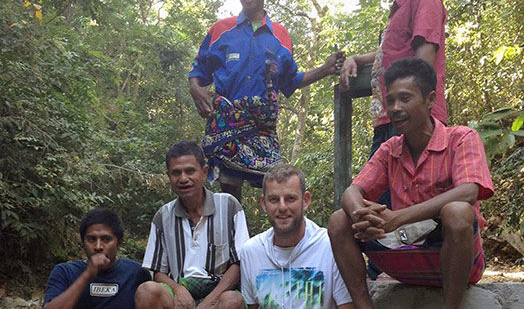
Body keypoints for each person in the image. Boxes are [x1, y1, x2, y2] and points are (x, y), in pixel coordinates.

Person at [328, 58, 494, 309]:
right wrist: (359, 213)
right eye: (390, 99)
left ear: (429, 100)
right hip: (403, 258)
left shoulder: (461, 138)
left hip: (452, 262)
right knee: (339, 220)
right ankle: (363, 306)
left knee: (458, 210)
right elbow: (354, 190)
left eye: (405, 98)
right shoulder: (389, 149)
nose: (394, 107)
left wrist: (398, 217)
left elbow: (469, 191)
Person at [188, 0, 344, 201]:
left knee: (275, 188)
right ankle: (233, 238)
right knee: (230, 195)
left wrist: (326, 69)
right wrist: (196, 90)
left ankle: (275, 238)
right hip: (227, 127)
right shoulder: (221, 30)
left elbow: (290, 80)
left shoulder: (280, 36)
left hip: (263, 128)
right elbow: (198, 73)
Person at [340, 0, 448, 158]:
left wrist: (414, 116)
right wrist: (356, 59)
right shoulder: (398, 9)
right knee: (378, 187)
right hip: (389, 118)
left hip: (412, 119)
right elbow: (388, 52)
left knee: (410, 188)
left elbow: (423, 64)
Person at [135, 140, 249, 309]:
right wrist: (178, 289)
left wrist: (209, 301)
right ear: (169, 176)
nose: (183, 179)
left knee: (231, 301)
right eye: (176, 173)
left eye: (190, 171)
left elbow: (239, 263)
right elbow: (158, 271)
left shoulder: (229, 206)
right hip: (179, 292)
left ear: (204, 172)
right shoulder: (163, 216)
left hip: (219, 292)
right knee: (147, 291)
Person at [240, 163, 353, 309]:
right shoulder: (252, 251)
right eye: (274, 199)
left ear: (305, 201)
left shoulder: (329, 245)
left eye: (290, 199)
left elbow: (347, 305)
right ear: (263, 203)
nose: (282, 207)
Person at [43, 208, 151, 309]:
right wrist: (86, 275)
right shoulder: (65, 272)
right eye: (91, 239)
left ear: (119, 242)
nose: (98, 246)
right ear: (83, 242)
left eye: (106, 239)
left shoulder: (136, 273)